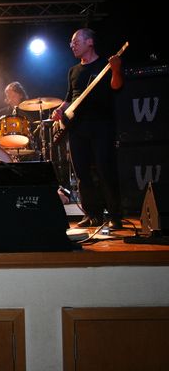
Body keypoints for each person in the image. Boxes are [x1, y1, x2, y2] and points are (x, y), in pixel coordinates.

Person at [52, 27, 124, 229]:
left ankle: (115, 215)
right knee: (82, 173)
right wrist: (59, 110)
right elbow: (69, 98)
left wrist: (116, 70)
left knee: (105, 169)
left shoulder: (104, 65)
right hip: (77, 128)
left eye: (76, 41)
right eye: (71, 43)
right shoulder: (73, 71)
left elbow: (117, 86)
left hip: (102, 125)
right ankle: (92, 214)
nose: (72, 45)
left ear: (89, 42)